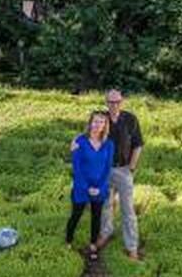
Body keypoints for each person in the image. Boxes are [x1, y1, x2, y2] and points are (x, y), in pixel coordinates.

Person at [72, 89, 144, 261]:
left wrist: (132, 167)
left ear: (122, 101)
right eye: (111, 102)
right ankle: (105, 233)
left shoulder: (130, 119)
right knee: (105, 205)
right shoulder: (102, 117)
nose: (114, 105)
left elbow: (138, 144)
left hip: (123, 170)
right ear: (106, 102)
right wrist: (75, 141)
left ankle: (132, 246)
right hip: (103, 171)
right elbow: (89, 131)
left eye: (117, 101)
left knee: (128, 210)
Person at [66, 111, 114, 260]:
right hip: (82, 186)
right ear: (90, 123)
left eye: (101, 122)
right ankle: (68, 240)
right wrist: (87, 187)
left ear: (105, 125)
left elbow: (108, 167)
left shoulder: (109, 144)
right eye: (95, 121)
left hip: (100, 186)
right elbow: (77, 167)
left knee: (96, 216)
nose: (98, 125)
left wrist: (99, 187)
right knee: (76, 214)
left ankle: (93, 244)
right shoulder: (80, 141)